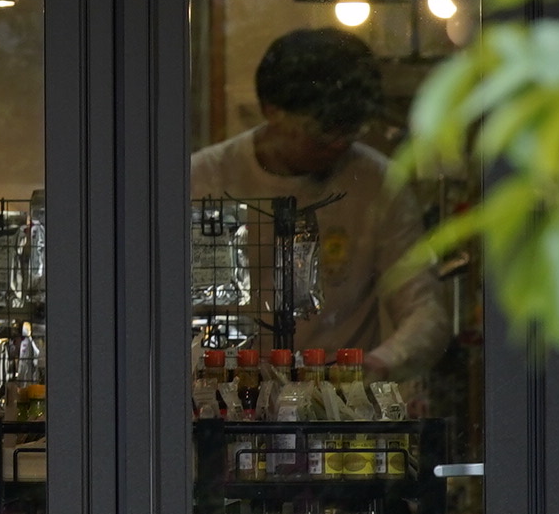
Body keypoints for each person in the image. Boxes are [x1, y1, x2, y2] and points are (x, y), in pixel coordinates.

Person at [188, 24, 442, 386]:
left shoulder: (377, 183)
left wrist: (380, 364)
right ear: (271, 110)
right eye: (321, 134)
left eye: (350, 133)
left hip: (338, 414)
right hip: (226, 408)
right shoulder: (206, 181)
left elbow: (424, 308)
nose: (338, 145)